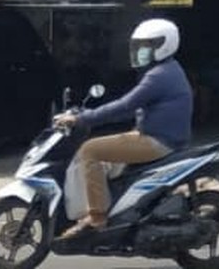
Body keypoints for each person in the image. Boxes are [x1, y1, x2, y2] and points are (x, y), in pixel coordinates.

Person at [55, 18, 193, 240]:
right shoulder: (167, 70)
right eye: (138, 47)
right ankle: (116, 206)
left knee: (90, 150)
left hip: (157, 141)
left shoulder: (158, 76)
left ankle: (97, 217)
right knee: (106, 152)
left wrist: (81, 118)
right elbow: (133, 108)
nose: (140, 52)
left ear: (163, 45)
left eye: (147, 47)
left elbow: (125, 105)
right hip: (156, 136)